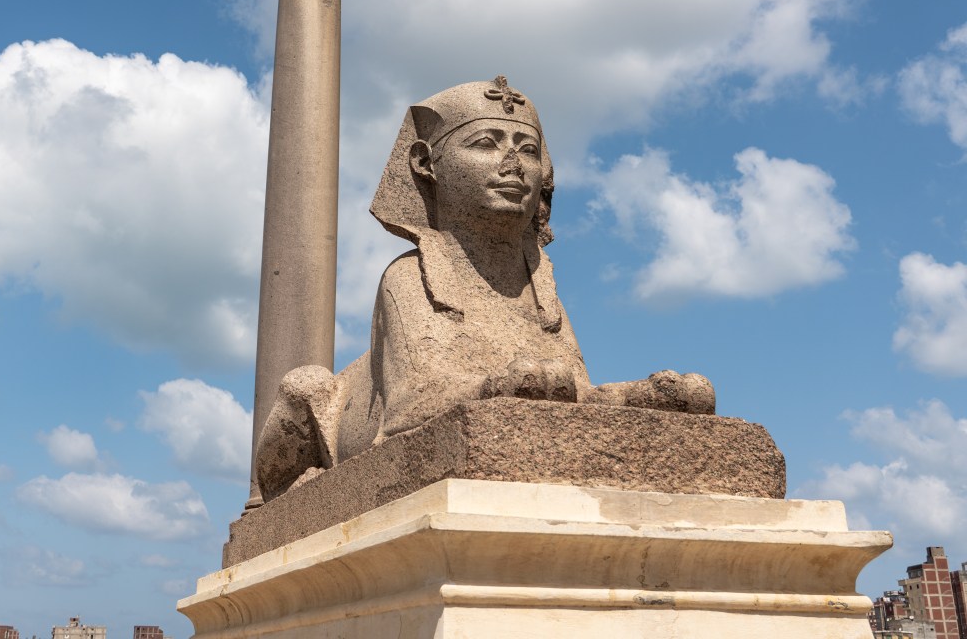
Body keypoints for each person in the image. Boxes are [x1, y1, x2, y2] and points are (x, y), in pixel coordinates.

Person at [255, 77, 714, 501]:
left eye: (528, 150)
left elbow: (575, 394)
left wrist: (635, 396)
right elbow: (408, 408)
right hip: (345, 433)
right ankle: (277, 496)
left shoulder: (541, 288)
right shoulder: (406, 278)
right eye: (486, 144)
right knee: (306, 385)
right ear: (425, 163)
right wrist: (495, 385)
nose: (513, 165)